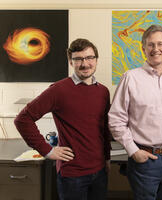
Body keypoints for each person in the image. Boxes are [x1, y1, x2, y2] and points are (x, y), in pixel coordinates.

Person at [14, 38, 111, 200]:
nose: (85, 64)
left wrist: (107, 158)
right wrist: (47, 150)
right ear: (71, 62)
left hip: (100, 171)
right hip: (72, 175)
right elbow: (23, 119)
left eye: (89, 58)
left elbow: (104, 128)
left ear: (96, 60)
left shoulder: (103, 91)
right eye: (78, 59)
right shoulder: (58, 90)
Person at [108, 24, 162, 200]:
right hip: (145, 160)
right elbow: (116, 119)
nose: (156, 49)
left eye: (160, 44)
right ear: (143, 48)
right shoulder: (130, 77)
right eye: (150, 44)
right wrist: (133, 151)